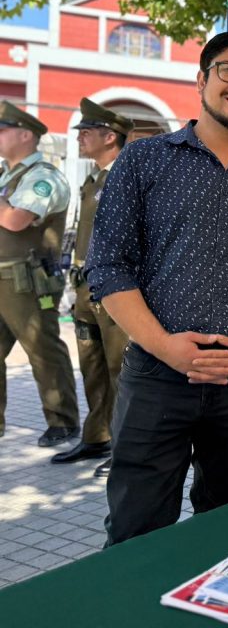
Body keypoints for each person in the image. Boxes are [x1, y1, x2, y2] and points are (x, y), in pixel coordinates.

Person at [85, 31, 228, 545]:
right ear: (202, 81)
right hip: (157, 376)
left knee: (225, 529)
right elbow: (108, 266)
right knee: (136, 532)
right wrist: (165, 346)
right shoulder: (143, 161)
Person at [51, 99, 133, 475]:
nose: (80, 138)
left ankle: (125, 449)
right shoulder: (95, 179)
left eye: (86, 132)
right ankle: (97, 435)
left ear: (110, 136)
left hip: (112, 287)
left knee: (120, 368)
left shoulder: (126, 178)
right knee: (92, 365)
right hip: (86, 285)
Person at [0, 102, 79, 446]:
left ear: (25, 135)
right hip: (4, 276)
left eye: (3, 130)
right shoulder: (6, 175)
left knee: (42, 350)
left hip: (27, 280)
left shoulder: (43, 176)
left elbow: (15, 220)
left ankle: (63, 421)